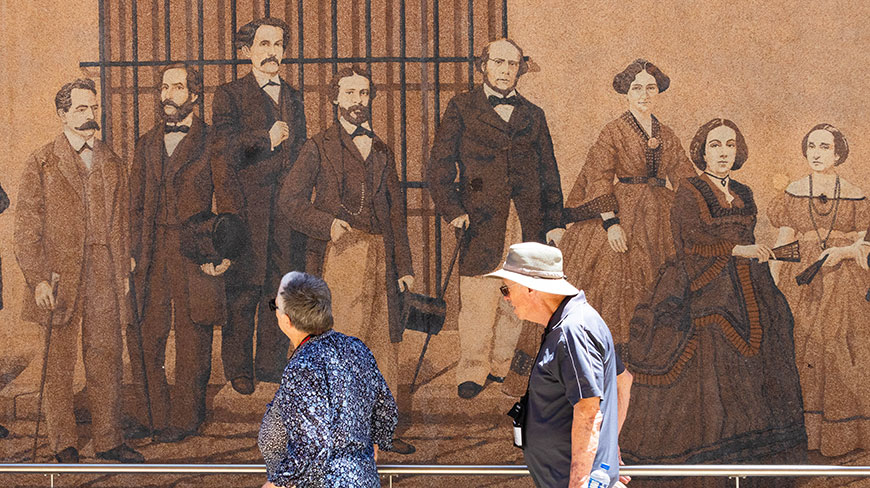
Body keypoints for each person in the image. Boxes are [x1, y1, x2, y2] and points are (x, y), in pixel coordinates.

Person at [619, 119, 807, 488]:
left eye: (730, 146)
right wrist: (737, 250)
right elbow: (688, 243)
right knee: (711, 346)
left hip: (750, 284)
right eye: (716, 145)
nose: (723, 153)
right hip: (702, 282)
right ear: (702, 151)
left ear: (738, 152)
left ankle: (754, 465)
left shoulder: (744, 191)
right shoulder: (689, 190)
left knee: (775, 329)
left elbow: (749, 237)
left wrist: (756, 254)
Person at [278, 66, 416, 454]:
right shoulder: (317, 146)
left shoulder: (382, 149)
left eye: (364, 93)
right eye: (350, 93)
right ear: (335, 98)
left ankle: (377, 432)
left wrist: (404, 266)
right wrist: (326, 224)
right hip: (339, 257)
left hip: (380, 258)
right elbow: (288, 202)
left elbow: (395, 213)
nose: (358, 101)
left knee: (378, 346)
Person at [427, 38, 565, 399]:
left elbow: (548, 170)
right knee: (477, 298)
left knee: (515, 296)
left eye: (512, 64)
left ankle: (501, 366)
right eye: (498, 63)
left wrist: (553, 219)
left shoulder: (534, 114)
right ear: (483, 66)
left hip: (525, 218)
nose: (505, 71)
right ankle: (472, 370)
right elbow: (439, 166)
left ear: (520, 68)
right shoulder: (461, 107)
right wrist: (453, 210)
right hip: (480, 219)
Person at [14, 78, 143, 463]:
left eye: (93, 108)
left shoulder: (112, 161)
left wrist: (122, 270)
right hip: (58, 275)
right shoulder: (41, 162)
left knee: (106, 355)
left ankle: (109, 439)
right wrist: (37, 279)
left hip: (104, 269)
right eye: (81, 110)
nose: (90, 117)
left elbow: (122, 222)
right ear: (62, 115)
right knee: (58, 363)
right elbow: (26, 230)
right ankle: (63, 442)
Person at [126, 64, 236, 442]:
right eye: (164, 87)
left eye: (177, 87)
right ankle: (150, 414)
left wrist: (224, 251)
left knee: (193, 335)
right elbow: (134, 204)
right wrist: (132, 251)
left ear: (194, 95)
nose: (168, 94)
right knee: (145, 332)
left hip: (195, 249)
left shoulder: (212, 141)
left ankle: (186, 419)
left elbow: (230, 202)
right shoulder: (146, 143)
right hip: (151, 250)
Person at [558, 59, 695, 345]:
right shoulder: (613, 131)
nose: (644, 94)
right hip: (622, 214)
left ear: (658, 92)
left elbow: (684, 178)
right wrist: (611, 224)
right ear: (626, 93)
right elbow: (599, 177)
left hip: (662, 217)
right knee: (612, 285)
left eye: (650, 88)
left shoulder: (667, 134)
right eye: (637, 88)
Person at [212, 16, 308, 394]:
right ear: (246, 51)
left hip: (284, 212)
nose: (272, 53)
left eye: (278, 45)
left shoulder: (294, 96)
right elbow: (222, 149)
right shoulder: (229, 95)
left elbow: (301, 152)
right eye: (264, 45)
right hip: (247, 212)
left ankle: (269, 365)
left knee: (277, 289)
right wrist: (264, 138)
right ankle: (239, 367)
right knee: (243, 290)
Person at [768, 123, 870, 457]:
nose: (817, 153)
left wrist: (842, 252)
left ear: (838, 153)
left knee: (840, 349)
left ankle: (844, 437)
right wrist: (771, 282)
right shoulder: (793, 192)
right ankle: (806, 439)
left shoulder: (856, 193)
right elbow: (783, 240)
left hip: (844, 282)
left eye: (825, 147)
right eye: (812, 146)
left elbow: (863, 243)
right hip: (802, 281)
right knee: (802, 347)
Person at [487, 242, 622, 487]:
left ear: (530, 288)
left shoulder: (573, 331)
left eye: (506, 289)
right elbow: (623, 381)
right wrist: (609, 451)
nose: (505, 297)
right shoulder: (573, 323)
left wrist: (580, 481)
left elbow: (588, 411)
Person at [258, 271, 398, 488]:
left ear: (287, 320)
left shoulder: (303, 366)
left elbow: (312, 444)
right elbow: (386, 409)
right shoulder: (356, 348)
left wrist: (277, 484)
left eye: (274, 307)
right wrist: (371, 445)